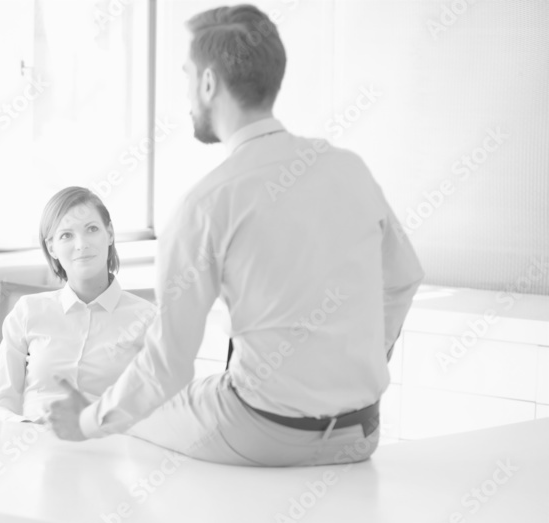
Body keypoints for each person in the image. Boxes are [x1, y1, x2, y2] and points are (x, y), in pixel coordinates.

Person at [47, 4, 425, 467]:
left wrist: (84, 421)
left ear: (208, 83)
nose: (186, 94)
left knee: (132, 421)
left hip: (262, 433)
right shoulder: (349, 169)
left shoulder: (204, 204)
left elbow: (167, 365)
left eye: (186, 76)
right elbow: (404, 277)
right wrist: (350, 370)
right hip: (360, 431)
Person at [0, 187, 157, 423]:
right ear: (52, 247)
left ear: (110, 233)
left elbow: (163, 409)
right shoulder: (27, 312)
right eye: (66, 235)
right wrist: (26, 425)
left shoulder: (147, 319)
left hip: (110, 447)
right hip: (33, 447)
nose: (81, 244)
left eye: (92, 229)